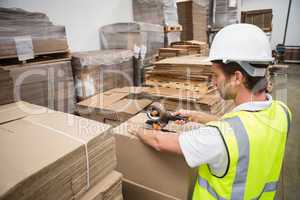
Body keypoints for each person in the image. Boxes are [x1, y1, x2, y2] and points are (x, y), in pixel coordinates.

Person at [130, 24, 292, 199]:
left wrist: (136, 129)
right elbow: (244, 131)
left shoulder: (217, 138)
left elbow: (158, 141)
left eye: (216, 75)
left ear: (237, 77)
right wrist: (200, 117)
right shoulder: (282, 112)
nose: (213, 82)